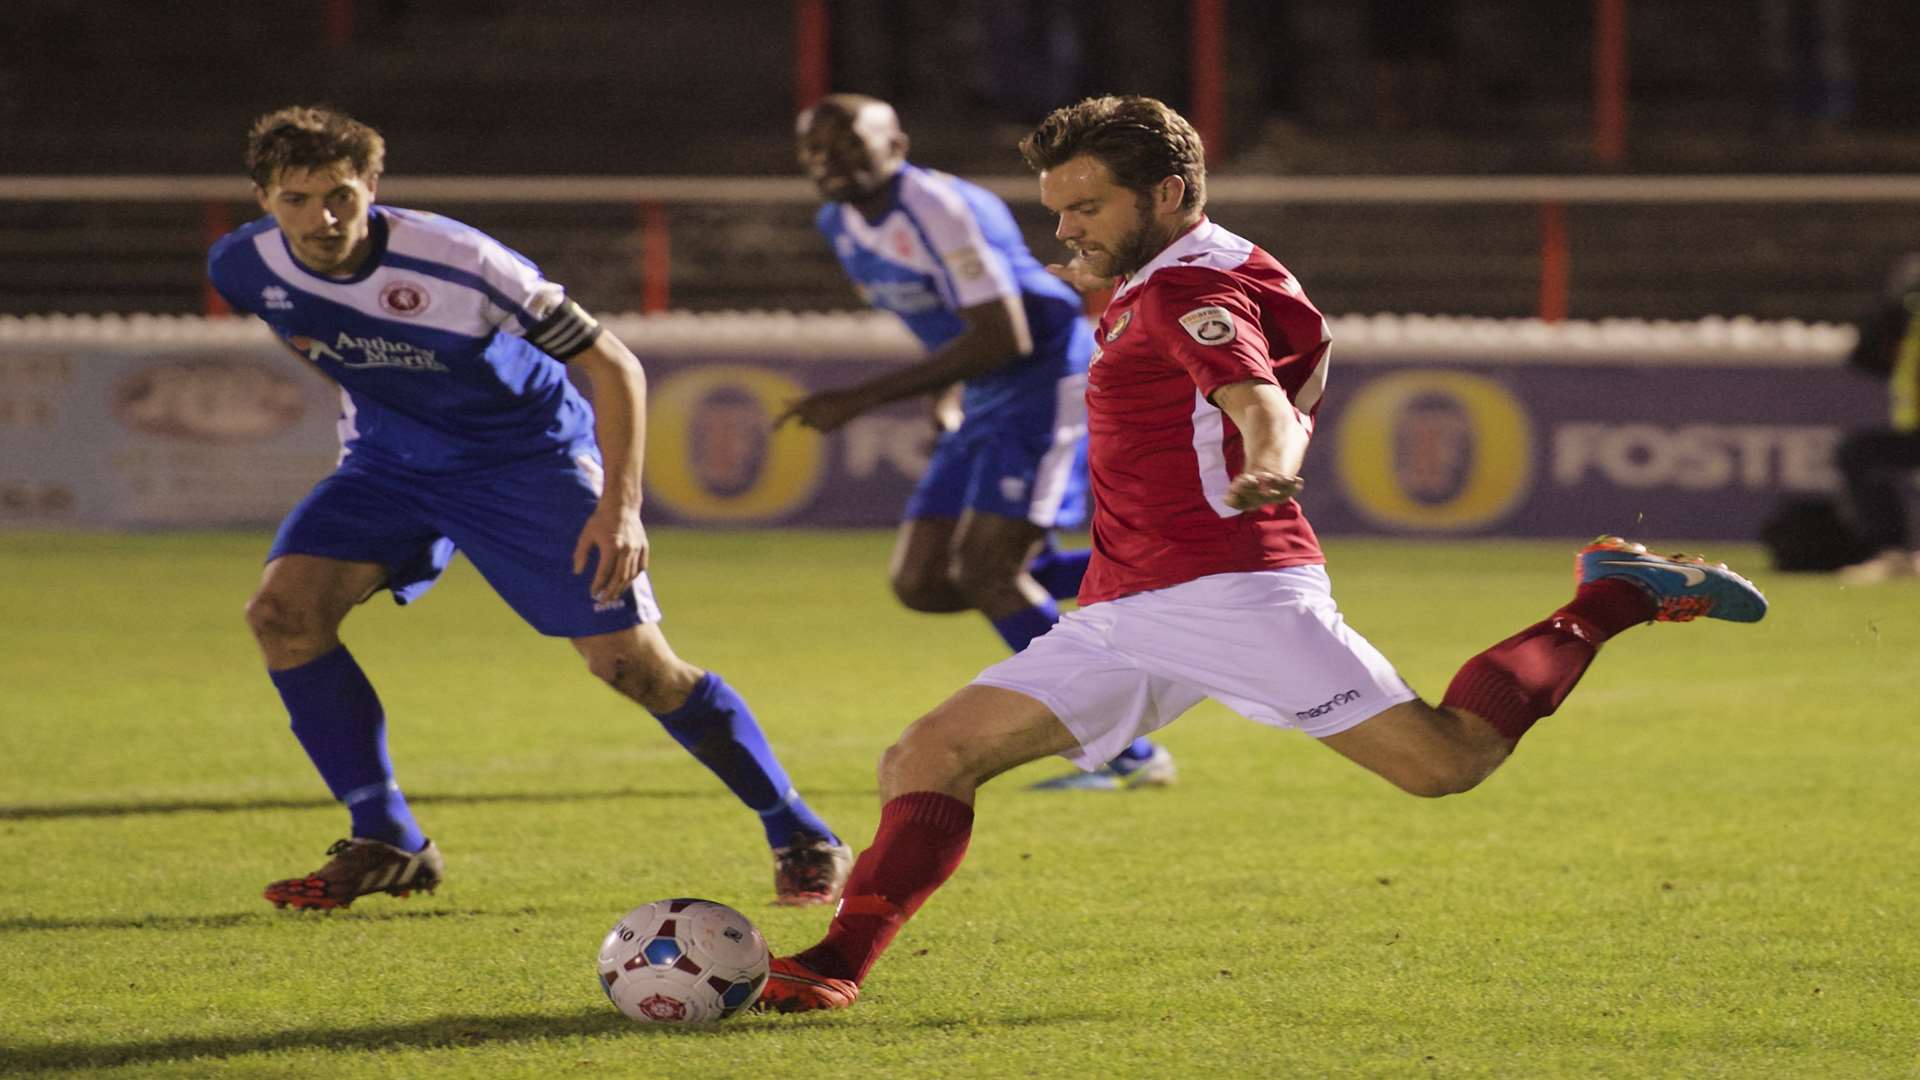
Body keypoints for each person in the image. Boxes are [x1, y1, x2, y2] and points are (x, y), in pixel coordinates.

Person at [753, 95, 1770, 1013]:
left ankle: (1611, 599)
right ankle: (834, 965)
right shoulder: (1200, 266)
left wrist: (1273, 462)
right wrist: (1095, 272)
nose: (1064, 230)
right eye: (1056, 211)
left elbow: (1254, 398)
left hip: (1230, 591)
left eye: (1087, 209)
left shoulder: (1185, 293)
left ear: (1167, 192)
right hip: (1125, 608)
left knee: (1445, 762)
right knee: (930, 754)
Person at [206, 106, 851, 911]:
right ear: (264, 198)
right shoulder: (240, 265)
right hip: (390, 464)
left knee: (632, 668)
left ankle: (798, 831)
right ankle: (388, 838)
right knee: (282, 615)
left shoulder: (463, 263)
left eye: (340, 195)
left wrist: (619, 509)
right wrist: (372, 409)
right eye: (296, 199)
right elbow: (305, 334)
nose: (322, 218)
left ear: (372, 185)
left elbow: (614, 365)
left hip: (527, 465)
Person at [783, 92, 1174, 791]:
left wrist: (860, 399)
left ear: (896, 147)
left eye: (848, 145)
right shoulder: (837, 222)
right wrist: (947, 391)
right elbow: (946, 318)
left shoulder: (940, 208)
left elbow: (1007, 333)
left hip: (1041, 377)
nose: (829, 162)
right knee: (924, 582)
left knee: (988, 571)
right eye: (815, 149)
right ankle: (1163, 572)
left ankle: (1129, 752)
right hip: (989, 385)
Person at [1833, 252, 1920, 583]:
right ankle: (1894, 555)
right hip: (1914, 430)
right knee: (1861, 453)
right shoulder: (1908, 307)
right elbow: (1867, 354)